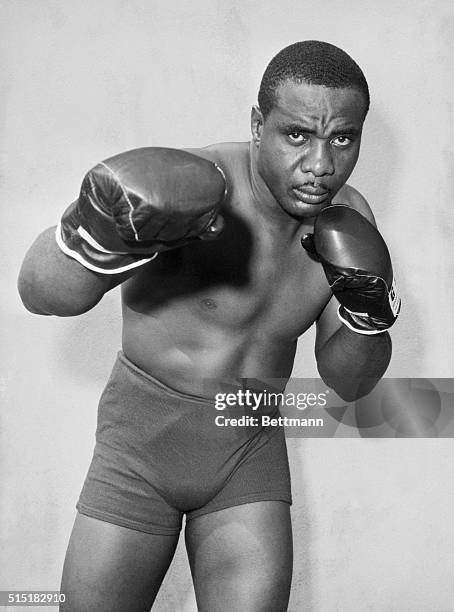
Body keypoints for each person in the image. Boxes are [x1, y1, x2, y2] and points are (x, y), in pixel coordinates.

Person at [17, 40, 400, 612]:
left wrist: (369, 318)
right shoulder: (193, 189)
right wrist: (95, 231)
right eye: (297, 134)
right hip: (139, 451)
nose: (321, 164)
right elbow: (39, 294)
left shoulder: (350, 222)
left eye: (341, 138)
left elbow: (350, 385)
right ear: (257, 124)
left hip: (248, 451)